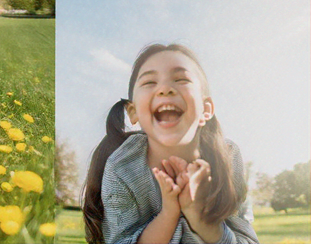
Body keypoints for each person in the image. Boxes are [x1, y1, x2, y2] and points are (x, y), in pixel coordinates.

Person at [83, 44, 259, 244]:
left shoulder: (227, 158)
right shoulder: (122, 169)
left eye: (181, 79)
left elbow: (247, 240)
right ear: (133, 112)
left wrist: (198, 217)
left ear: (206, 110)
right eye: (149, 81)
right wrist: (169, 212)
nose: (165, 89)